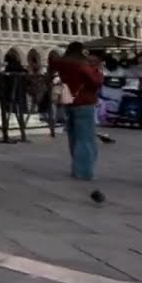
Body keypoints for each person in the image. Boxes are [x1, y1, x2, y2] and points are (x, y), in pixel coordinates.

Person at [53, 41, 103, 183]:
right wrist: (98, 71)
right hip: (84, 101)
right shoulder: (81, 64)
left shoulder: (62, 63)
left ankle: (76, 167)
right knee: (85, 138)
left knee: (74, 136)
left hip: (69, 101)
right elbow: (95, 81)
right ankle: (84, 171)